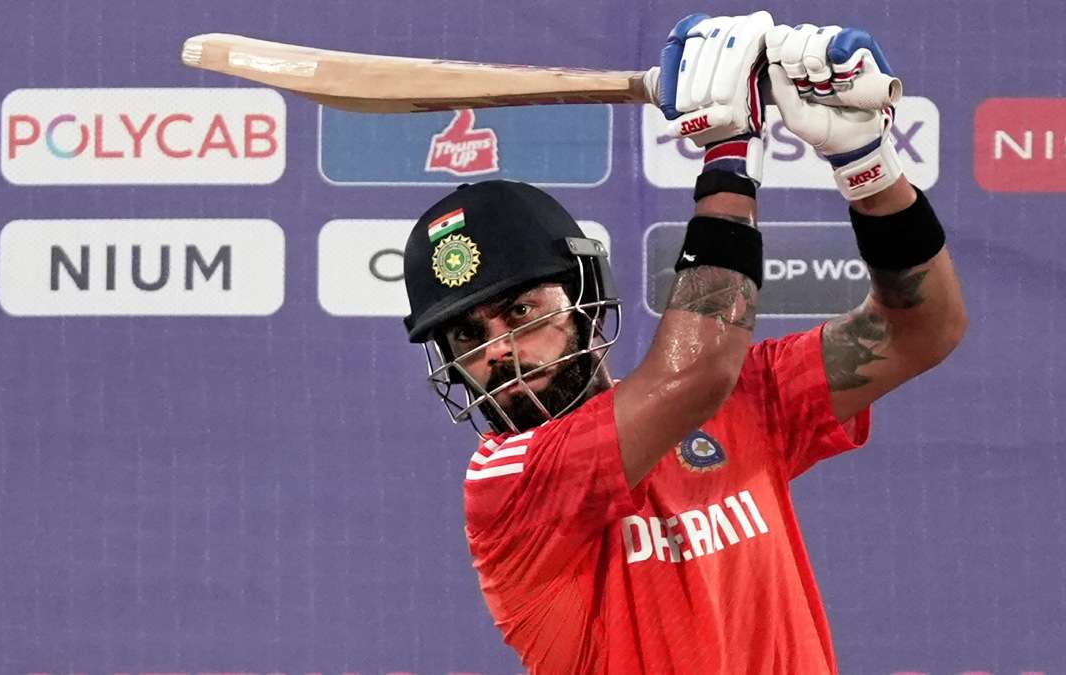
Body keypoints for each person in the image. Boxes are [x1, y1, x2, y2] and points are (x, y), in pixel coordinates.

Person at [401, 13, 967, 674]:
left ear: (585, 295)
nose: (497, 350)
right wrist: (728, 153)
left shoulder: (744, 400)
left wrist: (867, 165)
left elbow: (921, 330)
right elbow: (696, 372)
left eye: (521, 311)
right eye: (467, 335)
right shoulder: (506, 485)